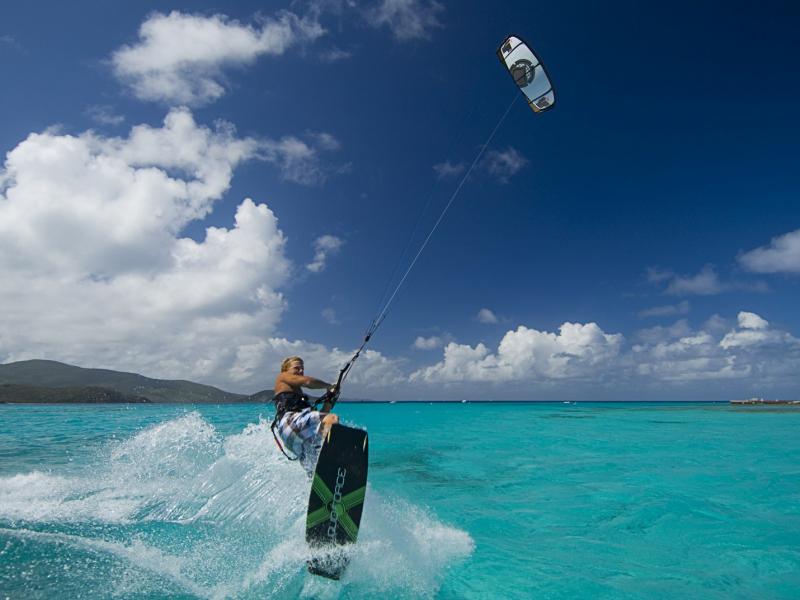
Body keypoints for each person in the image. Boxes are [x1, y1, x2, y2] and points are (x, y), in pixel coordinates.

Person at [271, 356, 339, 473]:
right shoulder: (282, 377)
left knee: (315, 468)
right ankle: (335, 461)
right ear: (285, 370)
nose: (301, 371)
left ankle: (324, 479)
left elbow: (323, 415)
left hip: (293, 438)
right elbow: (307, 382)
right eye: (296, 368)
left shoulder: (298, 396)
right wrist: (329, 385)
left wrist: (331, 398)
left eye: (302, 368)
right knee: (332, 419)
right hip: (289, 423)